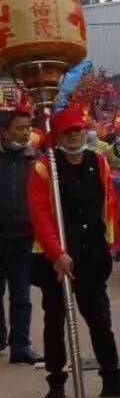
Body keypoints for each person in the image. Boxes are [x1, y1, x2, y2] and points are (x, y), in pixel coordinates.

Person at [27, 105, 120, 398]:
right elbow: (40, 215)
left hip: (91, 255)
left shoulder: (99, 161)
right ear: (57, 136)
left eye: (77, 131)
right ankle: (56, 383)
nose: (73, 136)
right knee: (55, 323)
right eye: (67, 132)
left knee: (100, 319)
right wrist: (57, 253)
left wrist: (110, 244)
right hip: (57, 260)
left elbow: (108, 205)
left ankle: (112, 378)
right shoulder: (45, 167)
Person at [0, 105, 40, 364]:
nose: (25, 133)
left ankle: (20, 346)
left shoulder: (36, 161)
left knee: (21, 296)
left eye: (27, 128)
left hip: (24, 238)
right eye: (19, 128)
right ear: (3, 132)